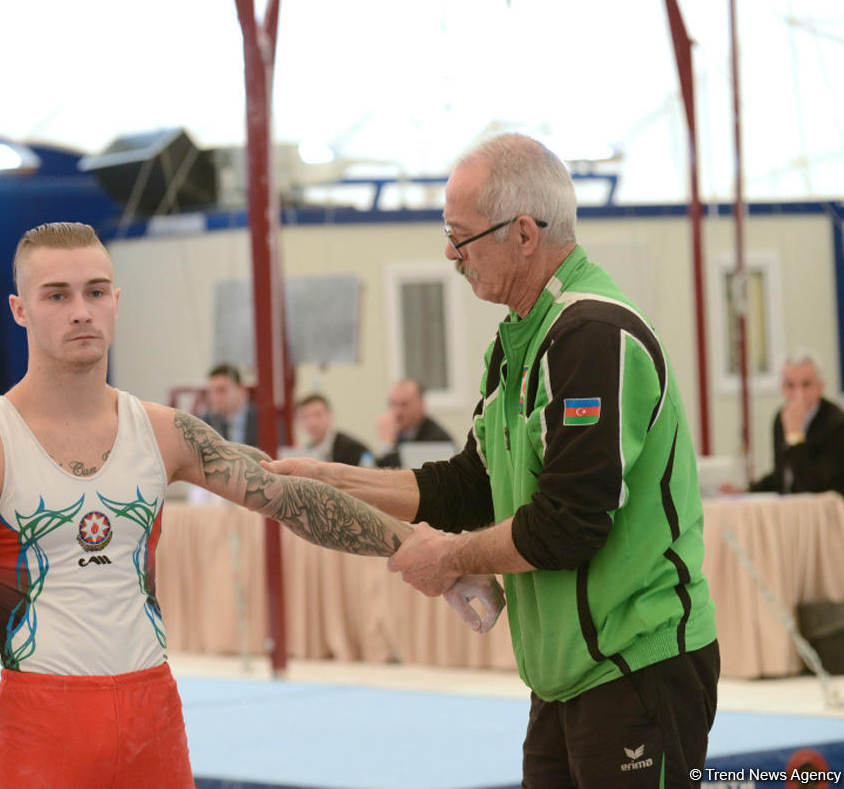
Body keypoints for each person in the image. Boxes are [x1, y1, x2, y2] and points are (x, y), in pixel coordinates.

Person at [0, 222, 504, 788]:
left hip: (152, 721)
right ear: (19, 309)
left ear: (116, 300)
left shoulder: (165, 434)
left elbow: (289, 498)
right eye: (56, 295)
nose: (80, 311)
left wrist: (425, 549)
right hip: (42, 727)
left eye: (94, 292)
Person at [266, 134, 718, 788]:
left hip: (635, 668)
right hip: (563, 677)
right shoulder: (516, 345)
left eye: (461, 235)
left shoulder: (592, 337)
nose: (451, 255)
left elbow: (569, 525)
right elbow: (467, 487)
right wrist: (328, 476)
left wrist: (450, 558)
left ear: (526, 234)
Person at [745, 351, 844, 499]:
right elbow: (783, 475)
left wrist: (795, 434)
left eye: (806, 385)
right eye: (790, 385)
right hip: (791, 510)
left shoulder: (838, 425)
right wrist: (745, 491)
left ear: (820, 386)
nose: (798, 393)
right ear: (782, 388)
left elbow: (814, 488)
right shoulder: (781, 418)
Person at [374, 378, 454, 468]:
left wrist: (388, 446)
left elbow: (404, 475)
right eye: (393, 404)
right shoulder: (396, 433)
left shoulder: (437, 439)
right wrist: (387, 444)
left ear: (421, 405)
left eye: (404, 405)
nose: (397, 412)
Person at [294, 393, 376, 467]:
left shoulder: (353, 449)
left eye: (318, 415)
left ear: (330, 415)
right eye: (305, 417)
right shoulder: (306, 452)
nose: (312, 423)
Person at [201, 363, 258, 447]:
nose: (215, 398)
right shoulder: (206, 423)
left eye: (221, 390)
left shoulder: (260, 419)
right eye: (211, 392)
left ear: (240, 390)